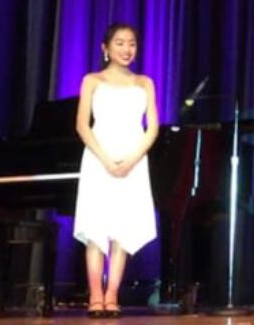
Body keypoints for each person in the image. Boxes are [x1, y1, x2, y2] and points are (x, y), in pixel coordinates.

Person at [73, 23, 160, 318]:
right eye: (120, 43)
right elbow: (82, 125)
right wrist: (106, 160)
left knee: (122, 230)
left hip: (134, 161)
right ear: (105, 48)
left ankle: (112, 295)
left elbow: (152, 128)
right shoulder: (92, 80)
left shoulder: (145, 83)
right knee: (96, 230)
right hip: (99, 158)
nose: (127, 49)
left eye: (132, 43)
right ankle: (95, 295)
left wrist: (133, 158)